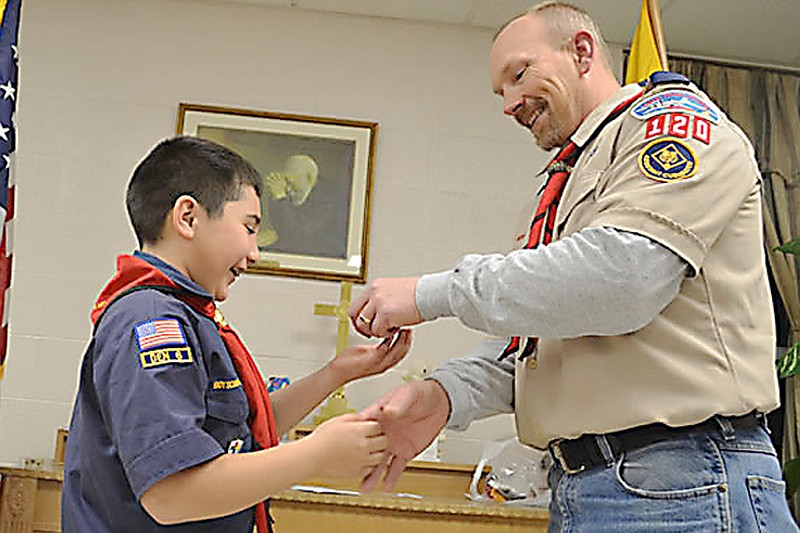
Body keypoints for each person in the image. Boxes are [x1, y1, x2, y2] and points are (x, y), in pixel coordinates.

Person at [348, 2, 799, 531]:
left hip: (682, 479)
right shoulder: (563, 184)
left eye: (520, 74)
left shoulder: (672, 128)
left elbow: (624, 279)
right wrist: (447, 394)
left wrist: (430, 293)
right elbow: (539, 343)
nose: (510, 103)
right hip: (594, 483)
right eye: (500, 93)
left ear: (582, 51)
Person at [62, 136, 411, 533]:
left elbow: (245, 432)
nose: (255, 253)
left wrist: (335, 374)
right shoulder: (152, 321)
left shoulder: (188, 315)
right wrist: (314, 455)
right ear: (188, 218)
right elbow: (171, 491)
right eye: (249, 228)